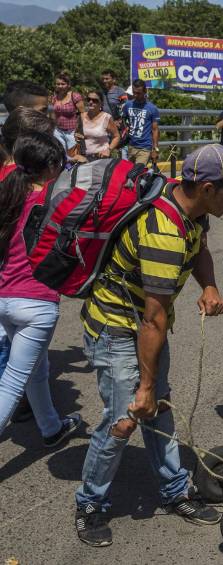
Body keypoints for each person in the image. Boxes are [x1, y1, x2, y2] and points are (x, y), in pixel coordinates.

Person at [75, 144, 223, 546]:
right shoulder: (163, 233)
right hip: (119, 327)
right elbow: (153, 319)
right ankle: (91, 502)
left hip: (143, 324)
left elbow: (200, 253)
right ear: (207, 188)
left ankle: (175, 491)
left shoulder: (188, 206)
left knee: (160, 410)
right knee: (124, 419)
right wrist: (144, 386)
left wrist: (209, 284)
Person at [0, 124, 84, 451]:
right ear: (50, 167)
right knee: (12, 383)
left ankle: (50, 427)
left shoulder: (9, 194)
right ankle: (50, 426)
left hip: (5, 297)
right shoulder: (54, 200)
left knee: (37, 368)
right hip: (36, 304)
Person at [121, 79, 160, 166]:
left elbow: (155, 130)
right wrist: (126, 130)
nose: (135, 95)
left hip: (145, 148)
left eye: (138, 93)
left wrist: (155, 149)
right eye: (134, 92)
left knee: (137, 172)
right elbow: (123, 119)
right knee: (128, 173)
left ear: (145, 91)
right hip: (131, 146)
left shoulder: (152, 108)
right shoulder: (128, 105)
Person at [77, 89, 120, 161]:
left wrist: (108, 150)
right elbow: (78, 136)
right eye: (89, 99)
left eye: (95, 100)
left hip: (101, 158)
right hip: (84, 158)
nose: (91, 102)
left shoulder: (106, 117)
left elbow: (116, 136)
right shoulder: (81, 116)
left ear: (101, 103)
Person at [50, 72, 84, 154]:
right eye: (58, 84)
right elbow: (52, 114)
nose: (60, 86)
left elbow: (83, 114)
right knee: (59, 154)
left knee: (73, 156)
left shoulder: (75, 96)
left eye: (63, 84)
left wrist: (80, 131)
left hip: (72, 132)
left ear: (68, 85)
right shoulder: (54, 98)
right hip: (58, 131)